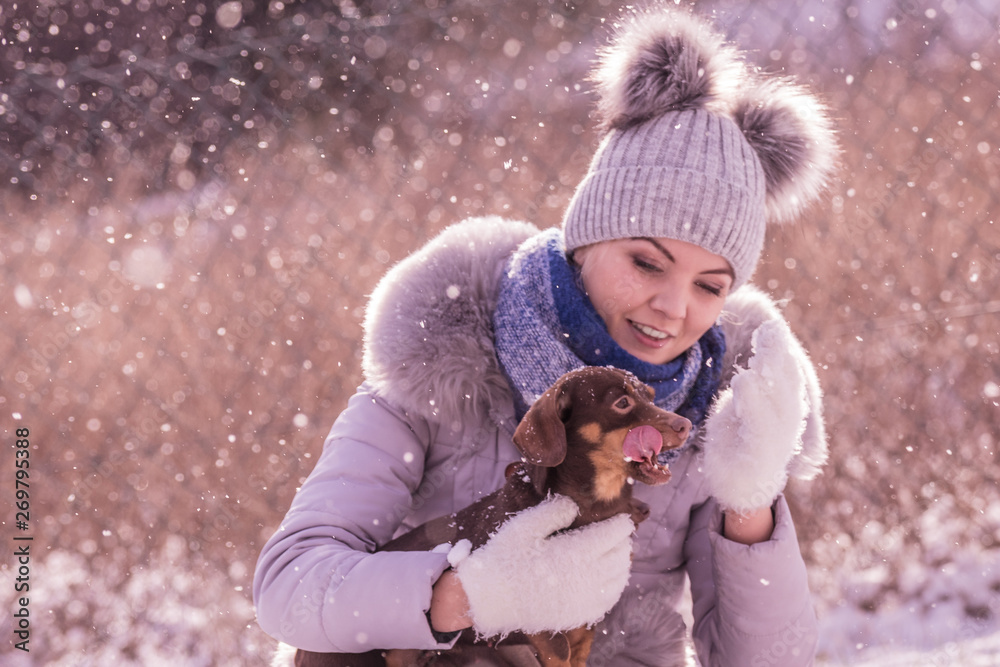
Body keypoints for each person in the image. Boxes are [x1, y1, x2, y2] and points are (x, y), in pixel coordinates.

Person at [254, 5, 838, 666]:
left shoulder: (713, 408)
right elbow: (289, 584)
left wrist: (750, 499)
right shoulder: (449, 357)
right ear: (585, 240)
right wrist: (470, 596)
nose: (674, 308)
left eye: (710, 285)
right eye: (646, 262)